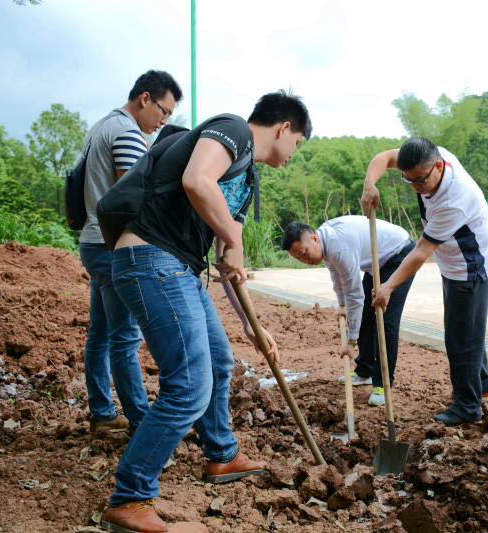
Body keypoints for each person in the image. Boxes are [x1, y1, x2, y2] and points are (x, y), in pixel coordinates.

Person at [98, 90, 312, 533]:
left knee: (219, 360)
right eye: (299, 143)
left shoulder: (246, 179)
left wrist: (255, 327)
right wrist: (233, 242)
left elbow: (226, 261)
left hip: (179, 267)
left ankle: (222, 455)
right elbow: (197, 180)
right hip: (151, 259)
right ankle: (131, 497)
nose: (294, 153)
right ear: (284, 127)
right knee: (189, 385)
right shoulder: (233, 129)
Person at [363, 136, 488, 428]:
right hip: (452, 263)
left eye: (420, 181)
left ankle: (468, 405)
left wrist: (389, 285)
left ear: (438, 167)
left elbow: (421, 251)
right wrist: (369, 184)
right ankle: (483, 382)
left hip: (469, 269)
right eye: (408, 181)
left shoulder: (454, 199)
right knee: (468, 329)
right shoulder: (427, 158)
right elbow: (385, 157)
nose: (415, 187)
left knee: (460, 340)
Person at [78, 70, 182, 436]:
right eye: (164, 111)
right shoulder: (127, 132)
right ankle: (141, 421)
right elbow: (133, 196)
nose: (164, 120)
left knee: (102, 332)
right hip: (112, 247)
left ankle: (103, 411)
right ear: (145, 99)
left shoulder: (101, 126)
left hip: (92, 241)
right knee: (124, 338)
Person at [281, 216, 416, 406]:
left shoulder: (339, 246)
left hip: (399, 254)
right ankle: (364, 372)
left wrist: (351, 342)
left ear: (314, 239)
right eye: (298, 258)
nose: (304, 260)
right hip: (377, 262)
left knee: (385, 320)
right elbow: (336, 276)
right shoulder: (325, 241)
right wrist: (341, 304)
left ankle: (383, 384)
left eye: (303, 253)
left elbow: (355, 295)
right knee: (367, 316)